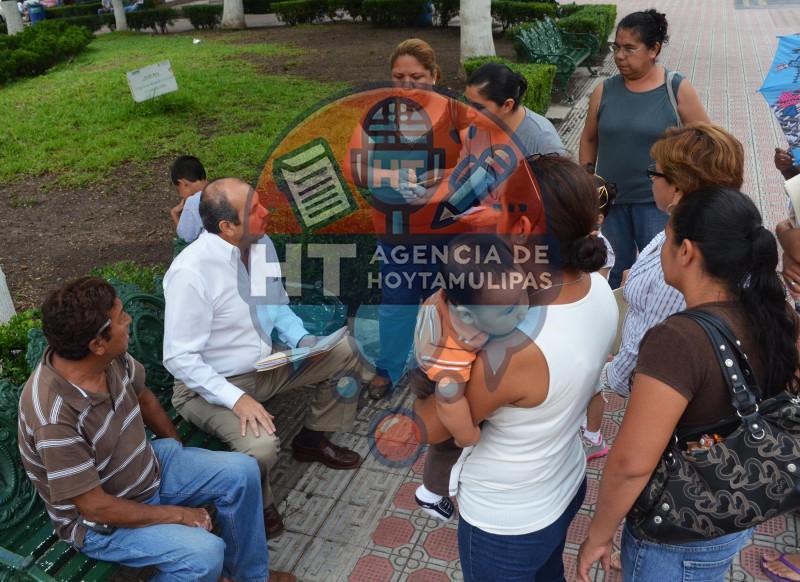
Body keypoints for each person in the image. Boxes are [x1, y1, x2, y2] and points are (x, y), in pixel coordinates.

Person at [577, 188, 800, 581]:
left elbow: (631, 465)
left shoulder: (678, 341)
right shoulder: (772, 310)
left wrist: (599, 534)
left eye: (666, 236)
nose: (660, 247)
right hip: (737, 509)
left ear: (687, 251)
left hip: (677, 535)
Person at [414, 156, 617, 581]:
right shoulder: (598, 287)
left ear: (522, 229)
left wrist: (433, 348)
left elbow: (433, 428)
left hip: (509, 520)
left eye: (498, 206)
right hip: (564, 482)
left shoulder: (513, 345)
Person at [17, 277, 295, 582]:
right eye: (121, 318)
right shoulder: (53, 416)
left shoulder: (111, 358)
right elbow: (95, 508)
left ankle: (250, 577)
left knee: (242, 472)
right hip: (101, 522)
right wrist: (179, 514)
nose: (129, 321)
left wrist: (177, 449)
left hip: (148, 468)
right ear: (97, 344)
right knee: (203, 555)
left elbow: (145, 398)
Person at [163, 177, 365, 540]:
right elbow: (179, 359)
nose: (266, 212)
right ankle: (262, 503)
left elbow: (276, 305)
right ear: (227, 227)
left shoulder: (260, 244)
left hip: (267, 365)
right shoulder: (191, 273)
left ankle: (313, 439)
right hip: (211, 386)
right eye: (253, 210)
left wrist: (304, 340)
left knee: (345, 352)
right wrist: (237, 399)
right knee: (261, 448)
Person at [360, 38, 466, 400]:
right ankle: (388, 369)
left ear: (434, 75)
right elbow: (353, 165)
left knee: (449, 301)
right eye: (398, 76)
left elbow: (479, 162)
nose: (407, 84)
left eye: (416, 76)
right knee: (397, 303)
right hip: (396, 232)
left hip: (448, 230)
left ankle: (446, 366)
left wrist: (444, 176)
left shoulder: (456, 111)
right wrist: (386, 177)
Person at [579, 9, 709, 288]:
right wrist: (587, 179)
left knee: (659, 274)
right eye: (616, 47)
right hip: (611, 203)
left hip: (658, 204)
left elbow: (706, 140)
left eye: (629, 48)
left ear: (654, 49)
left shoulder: (675, 88)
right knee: (612, 271)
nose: (619, 56)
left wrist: (687, 186)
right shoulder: (605, 89)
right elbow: (589, 138)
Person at [412, 234, 529, 520]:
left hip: (429, 342)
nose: (523, 310)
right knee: (447, 440)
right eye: (510, 309)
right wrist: (468, 434)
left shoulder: (471, 296)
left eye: (523, 293)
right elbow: (449, 402)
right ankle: (431, 492)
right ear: (467, 316)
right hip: (434, 378)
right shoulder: (454, 355)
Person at [170, 155, 208, 243]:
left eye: (178, 189)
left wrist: (174, 214)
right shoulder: (222, 187)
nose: (180, 194)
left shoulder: (193, 202)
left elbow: (185, 240)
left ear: (182, 183)